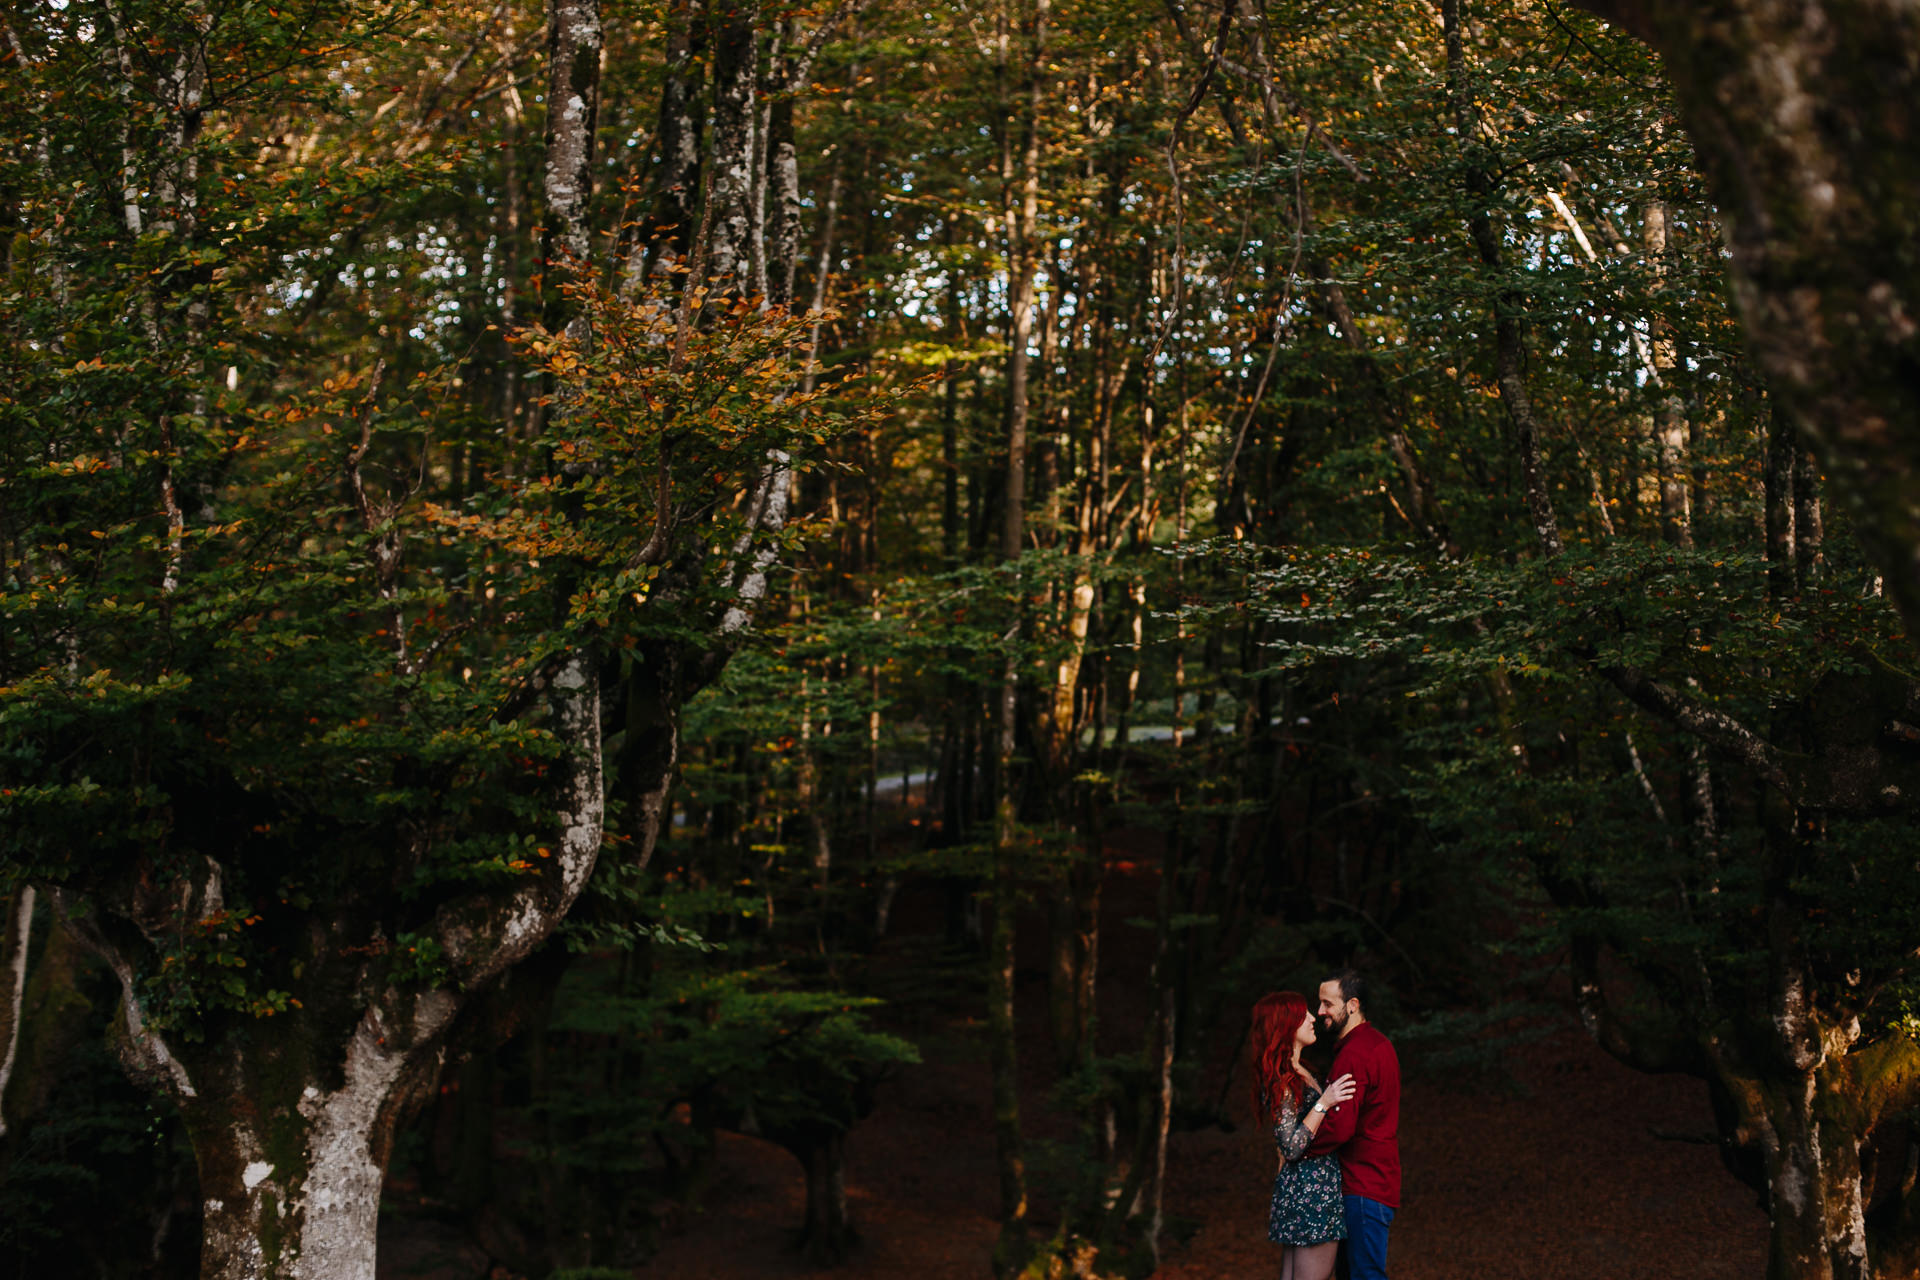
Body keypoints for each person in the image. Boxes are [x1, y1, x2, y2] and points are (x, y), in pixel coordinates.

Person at [1250, 991, 1358, 1280]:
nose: (1313, 1018)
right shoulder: (1284, 1079)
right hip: (1311, 1195)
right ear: (1285, 1025)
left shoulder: (1300, 1072)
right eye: (1303, 1015)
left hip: (1305, 1190)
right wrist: (1326, 1101)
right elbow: (1291, 1146)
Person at [1305, 969, 1401, 1280]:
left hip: (1362, 1184)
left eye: (1327, 1004)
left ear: (1352, 1005)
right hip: (1375, 1181)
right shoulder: (1379, 1044)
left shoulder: (1354, 1054)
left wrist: (1301, 1149)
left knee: (1364, 1275)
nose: (1320, 1012)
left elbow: (1340, 1127)